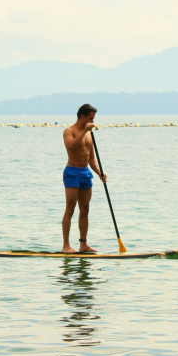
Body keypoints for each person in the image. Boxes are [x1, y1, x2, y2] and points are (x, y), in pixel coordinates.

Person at [61, 103, 105, 253]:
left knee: (85, 209)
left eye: (93, 119)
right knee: (70, 208)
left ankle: (83, 244)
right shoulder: (69, 131)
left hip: (86, 173)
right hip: (72, 173)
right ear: (83, 116)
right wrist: (85, 130)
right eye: (90, 119)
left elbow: (91, 158)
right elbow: (71, 146)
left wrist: (100, 173)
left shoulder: (89, 133)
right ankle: (66, 245)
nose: (92, 122)